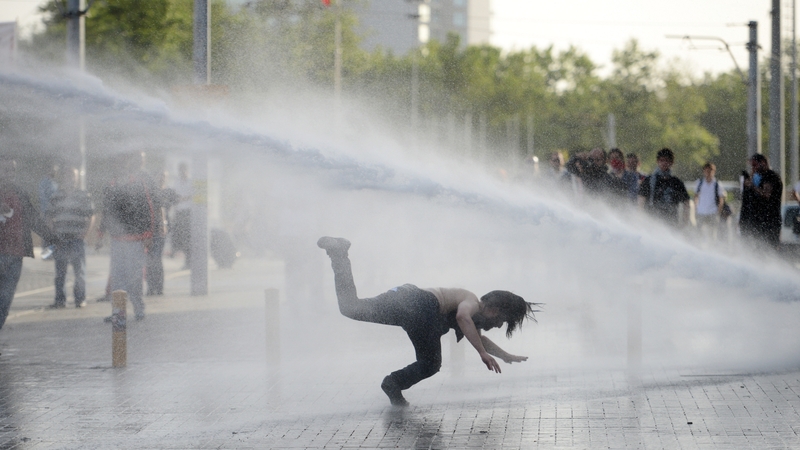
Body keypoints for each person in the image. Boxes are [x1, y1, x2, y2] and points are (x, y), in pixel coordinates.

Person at [317, 236, 538, 406]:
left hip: (405, 299)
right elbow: (462, 318)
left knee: (351, 308)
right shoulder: (470, 302)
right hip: (420, 305)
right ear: (494, 309)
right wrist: (482, 354)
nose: (499, 325)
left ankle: (339, 254)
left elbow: (479, 338)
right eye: (501, 320)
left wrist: (505, 356)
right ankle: (393, 383)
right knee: (431, 364)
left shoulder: (473, 317)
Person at [0, 157, 58, 330]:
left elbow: (33, 219)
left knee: (5, 301)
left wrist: (53, 238)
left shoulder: (20, 192)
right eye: (5, 169)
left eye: (12, 170)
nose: (10, 174)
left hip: (15, 255)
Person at [98, 152, 157, 321]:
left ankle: (139, 308)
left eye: (123, 163)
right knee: (117, 277)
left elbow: (147, 209)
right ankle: (119, 312)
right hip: (117, 241)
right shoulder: (110, 186)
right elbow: (107, 211)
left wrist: (148, 234)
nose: (120, 166)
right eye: (117, 163)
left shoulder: (138, 184)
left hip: (135, 241)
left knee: (135, 277)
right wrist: (101, 234)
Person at [47, 167, 94, 308]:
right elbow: (49, 215)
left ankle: (80, 299)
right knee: (60, 272)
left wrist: (84, 233)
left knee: (79, 272)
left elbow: (91, 215)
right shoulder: (56, 196)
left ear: (77, 178)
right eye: (67, 176)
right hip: (60, 239)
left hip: (77, 239)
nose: (70, 179)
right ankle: (60, 300)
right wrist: (53, 233)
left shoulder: (84, 195)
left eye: (73, 176)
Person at [739, 154, 783, 249]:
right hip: (759, 220)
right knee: (756, 247)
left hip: (770, 221)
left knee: (770, 247)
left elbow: (766, 194)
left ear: (763, 163)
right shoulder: (758, 177)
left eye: (755, 165)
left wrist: (752, 186)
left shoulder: (771, 176)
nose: (753, 168)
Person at [637, 148, 690, 226]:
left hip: (671, 223)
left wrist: (685, 222)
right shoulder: (648, 180)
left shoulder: (676, 183)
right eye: (661, 160)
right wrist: (640, 219)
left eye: (667, 160)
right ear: (657, 161)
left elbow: (686, 203)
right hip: (651, 222)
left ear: (671, 163)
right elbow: (641, 201)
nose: (664, 163)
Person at [146, 171, 178, 296]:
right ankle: (150, 287)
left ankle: (158, 287)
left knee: (156, 257)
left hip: (161, 228)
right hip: (149, 228)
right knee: (150, 258)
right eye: (159, 176)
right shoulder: (150, 191)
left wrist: (164, 224)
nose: (161, 179)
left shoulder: (168, 192)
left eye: (163, 177)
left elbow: (173, 204)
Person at [693, 162, 727, 242]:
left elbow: (721, 199)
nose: (708, 173)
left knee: (712, 234)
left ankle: (712, 248)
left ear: (714, 171)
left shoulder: (717, 184)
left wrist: (718, 211)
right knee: (699, 232)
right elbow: (696, 196)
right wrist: (696, 208)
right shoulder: (699, 183)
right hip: (701, 211)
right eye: (707, 171)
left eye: (710, 171)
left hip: (712, 212)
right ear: (704, 171)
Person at [171, 162, 192, 269]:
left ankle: (190, 260)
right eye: (180, 170)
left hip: (188, 212)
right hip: (179, 212)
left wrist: (183, 198)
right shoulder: (177, 182)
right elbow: (175, 197)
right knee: (181, 237)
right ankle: (185, 259)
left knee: (188, 237)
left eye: (184, 169)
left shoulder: (191, 182)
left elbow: (194, 197)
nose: (182, 172)